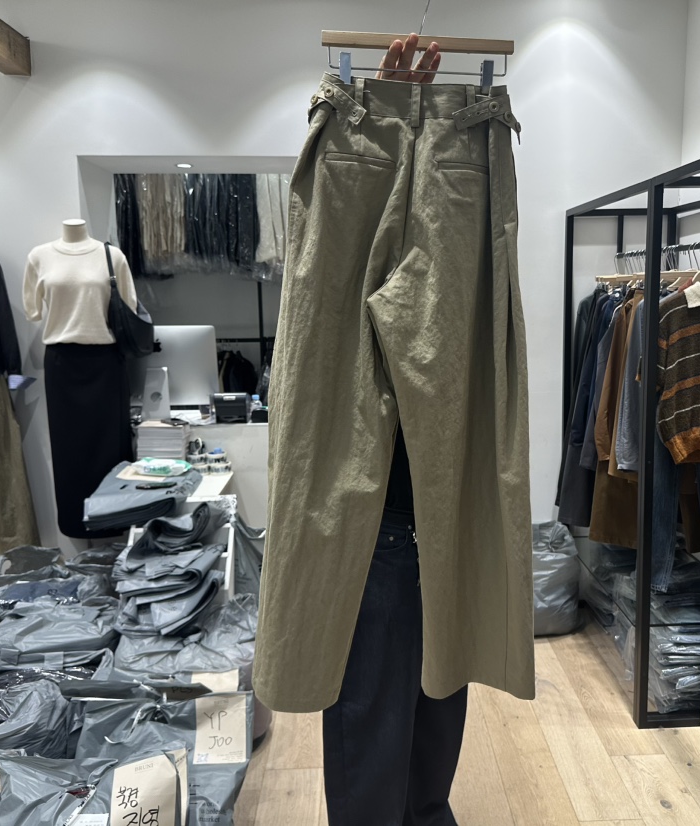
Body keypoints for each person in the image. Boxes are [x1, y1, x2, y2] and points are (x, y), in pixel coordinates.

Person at [320, 34, 468, 826]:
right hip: (388, 527)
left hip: (420, 524)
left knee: (416, 735)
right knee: (392, 742)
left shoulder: (460, 194)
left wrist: (413, 129)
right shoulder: (352, 206)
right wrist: (379, 129)